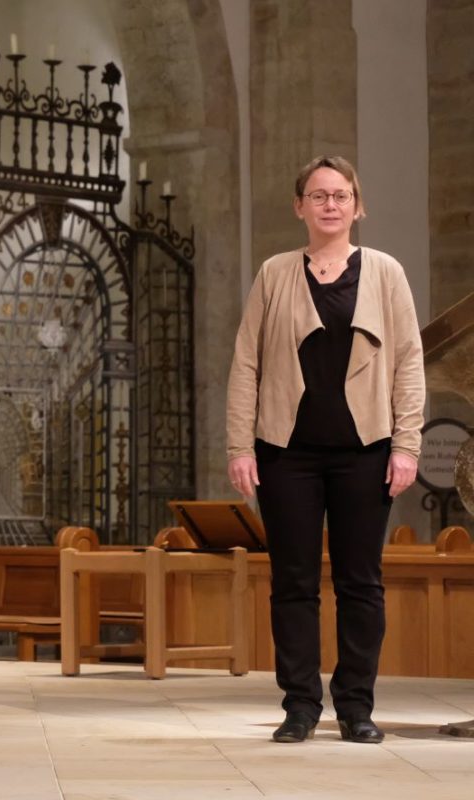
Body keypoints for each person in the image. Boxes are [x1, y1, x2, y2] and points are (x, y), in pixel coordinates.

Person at [227, 155, 424, 745]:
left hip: (365, 451)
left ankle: (356, 708)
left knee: (361, 583)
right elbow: (246, 363)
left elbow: (409, 361)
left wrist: (407, 444)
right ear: (300, 207)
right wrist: (240, 445)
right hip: (287, 453)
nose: (330, 204)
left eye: (341, 195)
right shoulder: (275, 273)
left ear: (357, 206)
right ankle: (300, 706)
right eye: (318, 195)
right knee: (293, 582)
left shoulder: (386, 273)